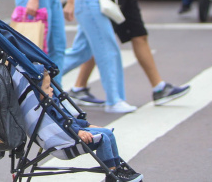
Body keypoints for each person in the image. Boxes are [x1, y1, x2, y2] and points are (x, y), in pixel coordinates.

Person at [12, 65, 143, 181]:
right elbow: (63, 122)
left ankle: (117, 169)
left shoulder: (50, 104)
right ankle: (112, 174)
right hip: (64, 140)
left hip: (68, 131)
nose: (51, 90)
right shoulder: (45, 109)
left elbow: (68, 119)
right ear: (37, 92)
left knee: (108, 133)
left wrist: (86, 125)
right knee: (103, 138)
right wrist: (78, 131)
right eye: (47, 87)